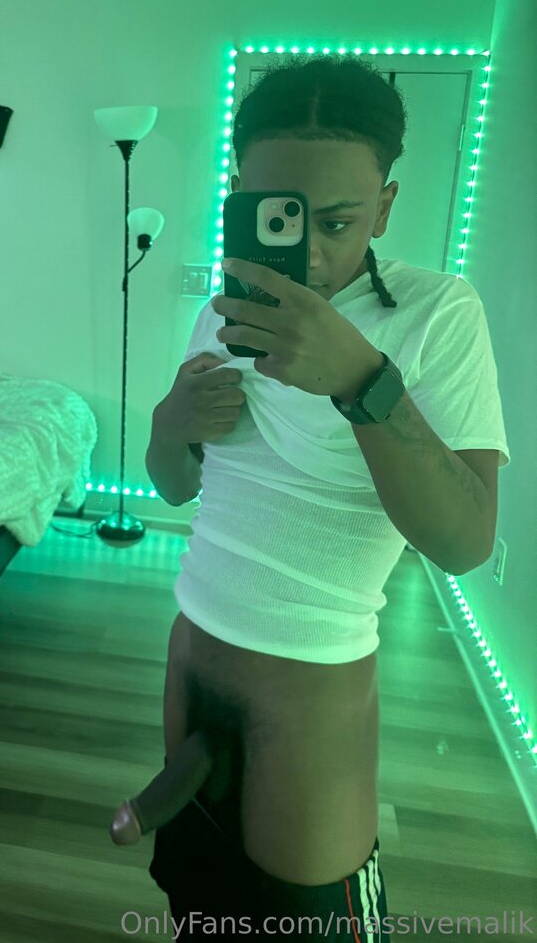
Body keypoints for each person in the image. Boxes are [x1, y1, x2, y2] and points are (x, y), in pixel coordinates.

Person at [110, 55, 507, 938]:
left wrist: (363, 381)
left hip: (312, 696)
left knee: (310, 926)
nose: (313, 251)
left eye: (338, 221)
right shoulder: (225, 311)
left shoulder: (437, 314)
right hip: (190, 656)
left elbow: (466, 541)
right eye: (279, 215)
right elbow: (174, 486)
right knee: (197, 904)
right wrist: (169, 425)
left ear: (386, 208)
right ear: (240, 197)